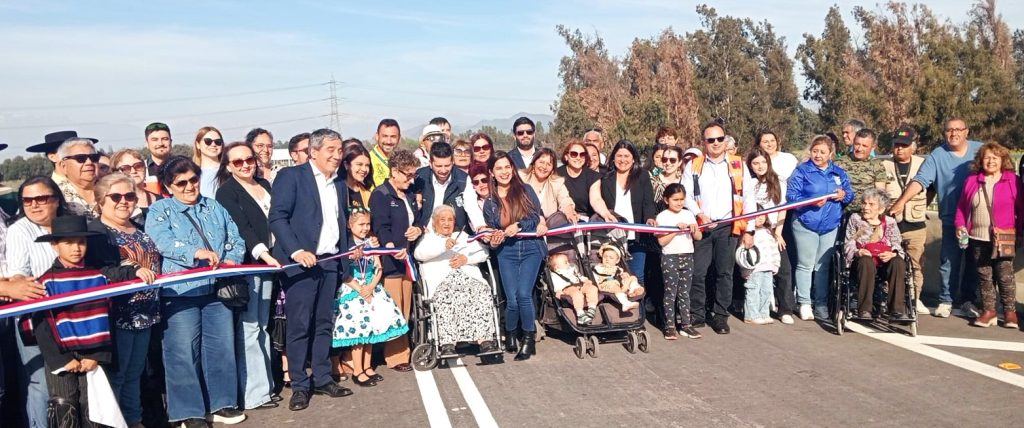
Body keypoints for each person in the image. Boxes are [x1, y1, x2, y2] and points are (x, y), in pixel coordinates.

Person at [145, 156, 247, 426]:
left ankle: (223, 403)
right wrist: (195, 253)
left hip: (217, 290)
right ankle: (188, 412)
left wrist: (231, 260)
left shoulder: (214, 207)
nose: (189, 186)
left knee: (221, 348)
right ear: (169, 186)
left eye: (193, 179)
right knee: (182, 353)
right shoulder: (159, 211)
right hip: (179, 294)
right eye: (181, 183)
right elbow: (161, 242)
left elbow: (235, 238)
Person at [30, 215, 153, 428]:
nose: (76, 248)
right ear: (54, 245)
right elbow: (41, 326)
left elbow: (105, 317)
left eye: (81, 242)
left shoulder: (97, 277)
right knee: (63, 404)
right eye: (68, 243)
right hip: (62, 355)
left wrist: (97, 355)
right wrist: (61, 359)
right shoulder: (45, 282)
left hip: (92, 353)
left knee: (94, 407)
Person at [269, 128, 354, 411]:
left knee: (323, 324)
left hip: (330, 262)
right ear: (313, 152)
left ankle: (322, 377)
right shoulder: (291, 177)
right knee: (299, 326)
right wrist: (296, 251)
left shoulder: (339, 182)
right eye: (331, 149)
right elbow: (278, 218)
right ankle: (299, 385)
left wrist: (349, 252)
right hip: (300, 264)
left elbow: (341, 221)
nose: (336, 155)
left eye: (339, 150)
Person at [90, 174, 163, 427]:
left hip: (146, 313)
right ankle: (115, 423)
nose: (124, 202)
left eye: (130, 196)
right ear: (101, 200)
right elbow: (99, 271)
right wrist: (131, 272)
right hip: (118, 314)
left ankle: (134, 420)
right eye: (116, 196)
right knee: (117, 376)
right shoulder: (96, 233)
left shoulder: (139, 227)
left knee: (134, 374)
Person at [889, 118, 982, 318]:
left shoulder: (980, 151)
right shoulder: (938, 155)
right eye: (949, 130)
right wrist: (901, 202)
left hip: (978, 220)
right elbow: (921, 181)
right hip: (952, 219)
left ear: (966, 131)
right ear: (944, 133)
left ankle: (969, 301)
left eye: (958, 129)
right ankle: (946, 300)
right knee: (949, 261)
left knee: (975, 263)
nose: (954, 133)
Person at [215, 142, 280, 411]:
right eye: (238, 162)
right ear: (228, 167)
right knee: (250, 327)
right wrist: (265, 255)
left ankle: (267, 386)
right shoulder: (227, 193)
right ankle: (254, 394)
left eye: (249, 159)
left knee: (263, 326)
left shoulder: (264, 185)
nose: (245, 165)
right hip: (252, 264)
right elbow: (243, 228)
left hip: (272, 263)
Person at [681, 121, 751, 334]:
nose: (716, 143)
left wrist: (749, 230)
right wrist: (700, 214)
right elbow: (686, 195)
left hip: (728, 227)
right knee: (698, 272)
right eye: (711, 140)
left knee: (724, 273)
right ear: (704, 142)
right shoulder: (694, 165)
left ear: (725, 140)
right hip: (702, 227)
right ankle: (697, 314)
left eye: (719, 139)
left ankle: (721, 316)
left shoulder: (738, 165)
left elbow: (748, 197)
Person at [6, 176, 65, 428]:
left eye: (41, 198)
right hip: (36, 318)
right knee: (41, 383)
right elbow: (19, 276)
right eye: (27, 200)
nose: (34, 205)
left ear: (57, 200)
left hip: (73, 317)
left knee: (70, 382)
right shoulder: (19, 229)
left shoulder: (70, 224)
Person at [483, 151, 548, 361]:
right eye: (499, 168)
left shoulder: (525, 190)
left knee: (523, 295)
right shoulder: (489, 202)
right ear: (492, 173)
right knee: (510, 300)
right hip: (506, 252)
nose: (504, 172)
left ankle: (529, 339)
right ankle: (510, 333)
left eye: (507, 167)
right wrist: (494, 240)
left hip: (530, 248)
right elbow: (492, 231)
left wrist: (518, 225)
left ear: (513, 168)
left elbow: (534, 217)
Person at [334, 208, 408, 386]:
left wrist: (372, 286)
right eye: (361, 224)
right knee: (360, 331)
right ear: (350, 225)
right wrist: (360, 289)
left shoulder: (370, 244)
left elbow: (378, 267)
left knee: (372, 328)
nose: (365, 228)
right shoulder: (345, 246)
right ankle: (357, 369)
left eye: (367, 224)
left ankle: (367, 366)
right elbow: (343, 273)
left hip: (370, 287)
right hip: (353, 288)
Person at [413, 205, 499, 358]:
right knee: (447, 295)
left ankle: (485, 341)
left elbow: (484, 252)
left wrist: (466, 259)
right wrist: (443, 246)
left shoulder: (464, 236)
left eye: (450, 220)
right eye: (442, 220)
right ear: (434, 223)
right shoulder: (429, 238)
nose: (446, 223)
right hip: (442, 282)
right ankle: (447, 344)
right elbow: (419, 254)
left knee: (481, 291)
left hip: (468, 279)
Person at [955, 142, 1021, 328]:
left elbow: (1021, 209)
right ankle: (989, 311)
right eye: (987, 157)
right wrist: (960, 225)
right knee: (984, 275)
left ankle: (1009, 312)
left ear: (1002, 160)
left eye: (995, 157)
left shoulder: (1012, 180)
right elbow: (961, 207)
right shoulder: (972, 181)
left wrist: (1021, 232)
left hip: (1004, 237)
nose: (991, 161)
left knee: (1005, 275)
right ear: (980, 161)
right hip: (977, 236)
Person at [787, 135, 854, 321]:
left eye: (822, 152)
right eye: (815, 151)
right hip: (805, 223)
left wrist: (843, 195)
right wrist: (810, 203)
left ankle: (821, 303)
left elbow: (850, 195)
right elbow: (791, 197)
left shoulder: (838, 173)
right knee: (805, 264)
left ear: (830, 154)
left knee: (822, 266)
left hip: (830, 225)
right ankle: (804, 302)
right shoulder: (802, 171)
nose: (818, 155)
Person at [369, 149, 422, 372]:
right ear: (394, 171)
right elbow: (381, 225)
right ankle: (395, 356)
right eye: (407, 175)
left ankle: (404, 351)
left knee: (406, 306)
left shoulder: (408, 196)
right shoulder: (381, 194)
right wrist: (389, 246)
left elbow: (417, 220)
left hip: (406, 258)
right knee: (394, 307)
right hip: (391, 260)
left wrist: (417, 229)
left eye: (413, 176)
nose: (411, 180)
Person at [881, 126, 929, 314]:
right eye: (897, 145)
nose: (900, 149)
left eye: (904, 145)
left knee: (915, 263)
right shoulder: (884, 165)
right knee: (889, 262)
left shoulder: (923, 164)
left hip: (915, 223)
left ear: (913, 147)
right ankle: (888, 297)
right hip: (891, 224)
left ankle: (914, 298)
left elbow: (930, 190)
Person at [745, 147, 794, 324]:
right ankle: (751, 309)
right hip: (753, 232)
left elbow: (782, 210)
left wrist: (778, 233)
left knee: (784, 269)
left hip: (773, 232)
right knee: (754, 273)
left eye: (763, 162)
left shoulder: (779, 182)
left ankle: (785, 309)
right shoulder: (748, 183)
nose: (760, 166)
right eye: (755, 163)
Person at [843, 189, 908, 319]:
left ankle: (897, 310)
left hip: (883, 262)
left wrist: (893, 253)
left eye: (871, 204)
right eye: (864, 203)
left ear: (881, 209)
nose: (866, 207)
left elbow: (897, 243)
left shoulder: (890, 222)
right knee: (866, 261)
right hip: (862, 262)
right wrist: (858, 251)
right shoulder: (855, 219)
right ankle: (865, 309)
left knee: (898, 262)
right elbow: (848, 242)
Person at [656, 183, 702, 340]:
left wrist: (694, 228)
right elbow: (661, 241)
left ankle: (686, 325)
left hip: (687, 256)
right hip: (670, 257)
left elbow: (699, 237)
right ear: (666, 200)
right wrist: (676, 230)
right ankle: (669, 326)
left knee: (684, 293)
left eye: (682, 199)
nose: (679, 202)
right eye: (675, 199)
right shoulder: (662, 217)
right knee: (670, 292)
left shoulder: (688, 214)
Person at [736, 208, 782, 325]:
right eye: (756, 215)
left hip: (768, 267)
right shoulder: (748, 235)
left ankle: (764, 313)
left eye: (763, 215)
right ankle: (751, 315)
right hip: (754, 270)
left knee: (766, 291)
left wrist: (776, 264)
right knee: (753, 291)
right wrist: (745, 270)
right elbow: (743, 255)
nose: (760, 217)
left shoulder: (768, 232)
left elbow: (774, 249)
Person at [413, 142, 468, 230]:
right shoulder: (419, 178)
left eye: (447, 165)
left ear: (453, 162)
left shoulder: (464, 180)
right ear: (430, 163)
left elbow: (472, 209)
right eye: (438, 166)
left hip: (454, 234)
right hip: (424, 233)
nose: (443, 170)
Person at [835, 128, 887, 214]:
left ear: (873, 147)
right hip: (841, 213)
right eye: (857, 144)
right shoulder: (839, 163)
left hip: (865, 215)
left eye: (864, 146)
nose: (859, 149)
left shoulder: (877, 165)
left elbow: (880, 193)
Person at [521, 147, 576, 223]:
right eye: (541, 162)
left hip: (548, 227)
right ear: (534, 163)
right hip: (523, 224)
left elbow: (565, 200)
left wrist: (569, 212)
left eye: (549, 164)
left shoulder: (557, 182)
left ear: (552, 170)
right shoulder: (521, 178)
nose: (544, 167)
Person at [111, 149, 161, 225]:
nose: (133, 171)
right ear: (115, 173)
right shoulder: (113, 202)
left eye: (138, 166)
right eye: (126, 168)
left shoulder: (161, 201)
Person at [547, 253, 599, 325]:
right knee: (577, 294)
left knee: (593, 288)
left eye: (568, 261)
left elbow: (579, 276)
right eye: (565, 262)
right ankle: (580, 313)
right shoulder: (555, 275)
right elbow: (555, 285)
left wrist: (585, 280)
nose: (568, 263)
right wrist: (558, 291)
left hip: (580, 285)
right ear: (556, 267)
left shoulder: (572, 269)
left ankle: (592, 307)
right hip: (568, 288)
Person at [55, 138, 101, 218]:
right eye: (80, 158)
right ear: (63, 166)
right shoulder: (56, 195)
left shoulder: (111, 190)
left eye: (94, 157)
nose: (89, 162)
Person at [556, 139, 601, 218]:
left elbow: (596, 200)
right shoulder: (557, 174)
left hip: (587, 219)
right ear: (566, 156)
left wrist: (606, 214)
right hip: (563, 217)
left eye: (582, 154)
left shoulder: (593, 176)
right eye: (574, 154)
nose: (578, 157)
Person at [592, 244, 643, 312]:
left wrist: (625, 276)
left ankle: (633, 290)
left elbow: (621, 276)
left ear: (617, 261)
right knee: (613, 284)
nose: (607, 259)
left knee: (633, 277)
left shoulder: (618, 269)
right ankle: (625, 304)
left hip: (621, 285)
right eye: (605, 257)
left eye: (611, 258)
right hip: (605, 285)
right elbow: (595, 276)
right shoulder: (599, 267)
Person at [191, 126, 224, 199]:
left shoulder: (230, 170)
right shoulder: (191, 173)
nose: (213, 144)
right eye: (208, 141)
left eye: (218, 142)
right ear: (198, 145)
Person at [370, 119, 401, 187]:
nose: (388, 141)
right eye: (385, 136)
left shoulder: (401, 161)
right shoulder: (369, 160)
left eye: (393, 137)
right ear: (377, 136)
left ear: (399, 138)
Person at [342, 145, 374, 210]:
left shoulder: (367, 193)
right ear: (346, 165)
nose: (364, 169)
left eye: (367, 165)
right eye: (359, 164)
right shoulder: (337, 190)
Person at [464, 162, 490, 232]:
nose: (481, 185)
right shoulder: (472, 205)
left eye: (484, 180)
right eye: (476, 182)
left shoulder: (501, 199)